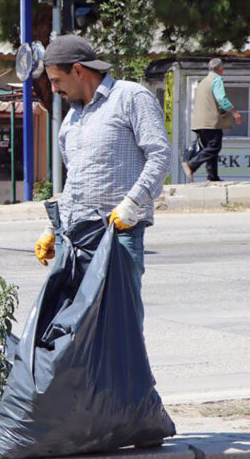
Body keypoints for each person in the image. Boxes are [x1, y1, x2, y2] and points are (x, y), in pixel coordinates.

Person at [33, 35, 173, 325]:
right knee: (72, 333)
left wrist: (133, 203)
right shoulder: (71, 121)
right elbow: (75, 180)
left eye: (56, 80)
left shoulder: (131, 98)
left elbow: (160, 156)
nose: (54, 88)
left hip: (117, 237)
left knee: (120, 329)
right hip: (72, 240)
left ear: (78, 70)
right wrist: (52, 227)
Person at [183, 57, 242, 182]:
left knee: (209, 148)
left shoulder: (203, 81)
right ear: (220, 69)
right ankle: (191, 165)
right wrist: (234, 112)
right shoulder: (216, 80)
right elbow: (221, 98)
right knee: (214, 147)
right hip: (210, 121)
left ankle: (213, 177)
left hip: (199, 122)